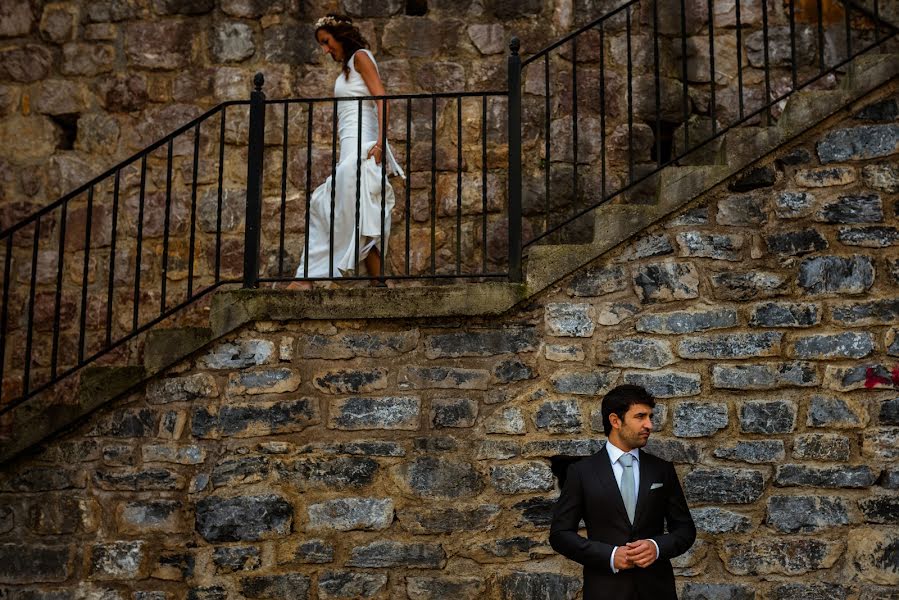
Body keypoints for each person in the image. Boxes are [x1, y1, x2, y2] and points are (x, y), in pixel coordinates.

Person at [288, 14, 403, 290]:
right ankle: (374, 282)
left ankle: (311, 277)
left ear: (341, 35)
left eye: (326, 42)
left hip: (363, 147)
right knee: (350, 208)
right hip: (349, 147)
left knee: (348, 206)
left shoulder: (361, 57)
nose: (325, 50)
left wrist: (379, 144)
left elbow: (382, 99)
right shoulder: (348, 67)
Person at [550, 384, 696, 599]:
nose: (649, 425)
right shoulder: (581, 472)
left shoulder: (662, 470)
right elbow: (560, 535)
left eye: (650, 417)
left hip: (657, 590)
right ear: (615, 421)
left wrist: (656, 547)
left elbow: (685, 530)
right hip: (605, 590)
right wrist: (609, 555)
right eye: (640, 416)